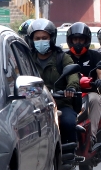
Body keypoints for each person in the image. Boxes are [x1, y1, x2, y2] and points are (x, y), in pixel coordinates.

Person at [28, 19, 80, 153]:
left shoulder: (62, 57)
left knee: (68, 123)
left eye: (44, 38)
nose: (41, 41)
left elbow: (73, 74)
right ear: (31, 40)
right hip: (35, 106)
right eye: (37, 38)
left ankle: (69, 158)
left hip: (61, 103)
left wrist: (71, 88)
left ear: (52, 38)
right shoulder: (27, 59)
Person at [65, 23, 101, 143]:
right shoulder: (64, 57)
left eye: (81, 39)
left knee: (95, 99)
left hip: (89, 93)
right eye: (75, 39)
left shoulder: (94, 56)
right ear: (70, 40)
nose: (78, 43)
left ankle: (92, 136)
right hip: (69, 93)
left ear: (87, 40)